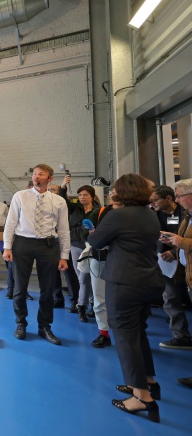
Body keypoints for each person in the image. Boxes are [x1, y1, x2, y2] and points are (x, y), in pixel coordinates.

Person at [88, 173, 163, 423]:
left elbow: (96, 241)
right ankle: (149, 381)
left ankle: (142, 398)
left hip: (124, 283)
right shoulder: (149, 214)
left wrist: (97, 231)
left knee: (125, 337)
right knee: (139, 333)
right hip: (148, 280)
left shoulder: (118, 216)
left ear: (124, 192)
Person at [3, 164, 70, 345]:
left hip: (48, 246)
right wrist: (7, 247)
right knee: (20, 288)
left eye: (41, 174)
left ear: (50, 179)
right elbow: (10, 223)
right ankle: (21, 323)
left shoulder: (58, 201)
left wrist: (64, 255)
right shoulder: (20, 196)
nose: (36, 177)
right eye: (34, 174)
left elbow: (64, 230)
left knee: (47, 290)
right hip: (22, 244)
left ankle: (44, 327)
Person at [155, 178, 192, 388]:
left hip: (182, 262)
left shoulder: (184, 215)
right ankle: (181, 336)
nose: (178, 199)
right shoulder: (183, 217)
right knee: (170, 298)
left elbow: (182, 239)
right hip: (171, 264)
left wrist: (177, 245)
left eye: (180, 196)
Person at [59, 177, 101, 322]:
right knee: (83, 278)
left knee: (93, 278)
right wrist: (63, 187)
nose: (82, 197)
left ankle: (91, 304)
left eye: (85, 195)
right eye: (80, 195)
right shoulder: (74, 208)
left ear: (92, 197)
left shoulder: (99, 211)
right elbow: (63, 200)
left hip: (92, 246)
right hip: (76, 245)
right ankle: (82, 307)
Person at [85, 189, 114, 348]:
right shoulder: (100, 212)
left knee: (122, 299)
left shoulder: (136, 214)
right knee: (99, 298)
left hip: (123, 262)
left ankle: (130, 332)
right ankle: (104, 332)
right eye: (112, 192)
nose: (114, 195)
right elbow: (85, 235)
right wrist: (92, 234)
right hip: (100, 258)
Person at [48, 183, 80, 311]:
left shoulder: (65, 205)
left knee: (69, 273)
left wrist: (63, 188)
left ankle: (75, 301)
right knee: (53, 274)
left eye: (54, 190)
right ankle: (58, 299)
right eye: (50, 190)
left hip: (66, 242)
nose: (51, 192)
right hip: (51, 243)